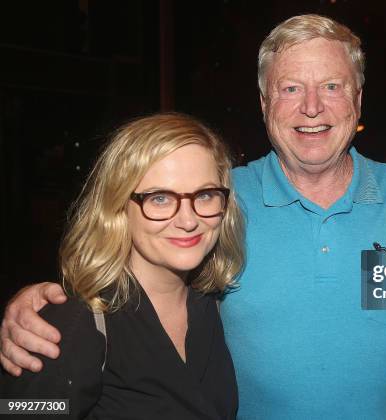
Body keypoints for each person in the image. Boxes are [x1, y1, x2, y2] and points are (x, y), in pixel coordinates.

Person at [2, 15, 386, 419]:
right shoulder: (217, 204)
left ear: (359, 100)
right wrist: (39, 303)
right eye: (291, 89)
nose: (312, 108)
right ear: (265, 103)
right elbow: (122, 259)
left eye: (333, 88)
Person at [1, 113, 244, 419]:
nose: (188, 220)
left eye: (205, 195)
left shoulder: (215, 305)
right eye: (159, 199)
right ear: (118, 207)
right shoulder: (76, 321)